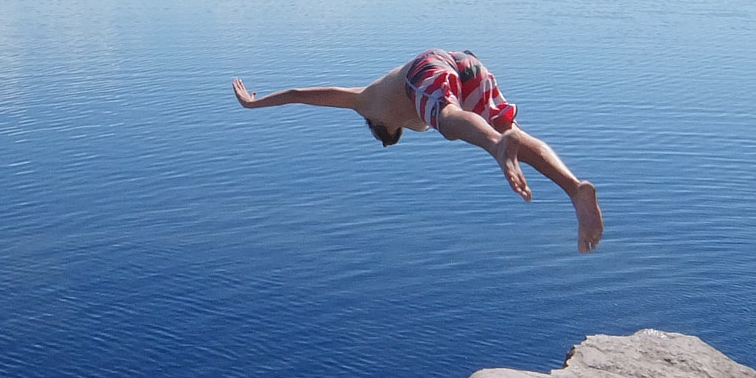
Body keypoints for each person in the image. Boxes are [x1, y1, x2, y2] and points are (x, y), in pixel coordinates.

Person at [232, 49, 603, 253]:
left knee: (449, 120)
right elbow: (299, 94)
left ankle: (495, 145)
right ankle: (575, 189)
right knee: (512, 131)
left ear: (382, 128)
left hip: (428, 66)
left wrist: (254, 104)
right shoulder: (392, 109)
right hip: (468, 63)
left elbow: (300, 95)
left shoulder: (364, 102)